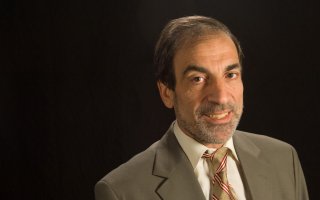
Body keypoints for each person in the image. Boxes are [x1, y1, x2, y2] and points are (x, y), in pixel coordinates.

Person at [95, 16, 309, 200]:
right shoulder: (121, 191)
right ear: (167, 92)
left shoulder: (284, 159)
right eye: (198, 79)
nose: (221, 96)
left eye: (230, 75)